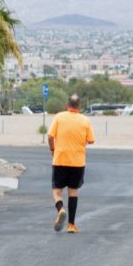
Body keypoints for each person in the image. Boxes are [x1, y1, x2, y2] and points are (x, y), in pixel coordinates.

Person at [47, 94, 95, 233]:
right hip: (77, 162)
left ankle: (61, 209)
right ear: (79, 106)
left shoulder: (59, 117)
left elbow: (50, 136)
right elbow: (91, 140)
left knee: (57, 191)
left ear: (67, 105)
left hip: (60, 159)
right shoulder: (85, 120)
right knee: (73, 191)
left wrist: (52, 149)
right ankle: (71, 225)